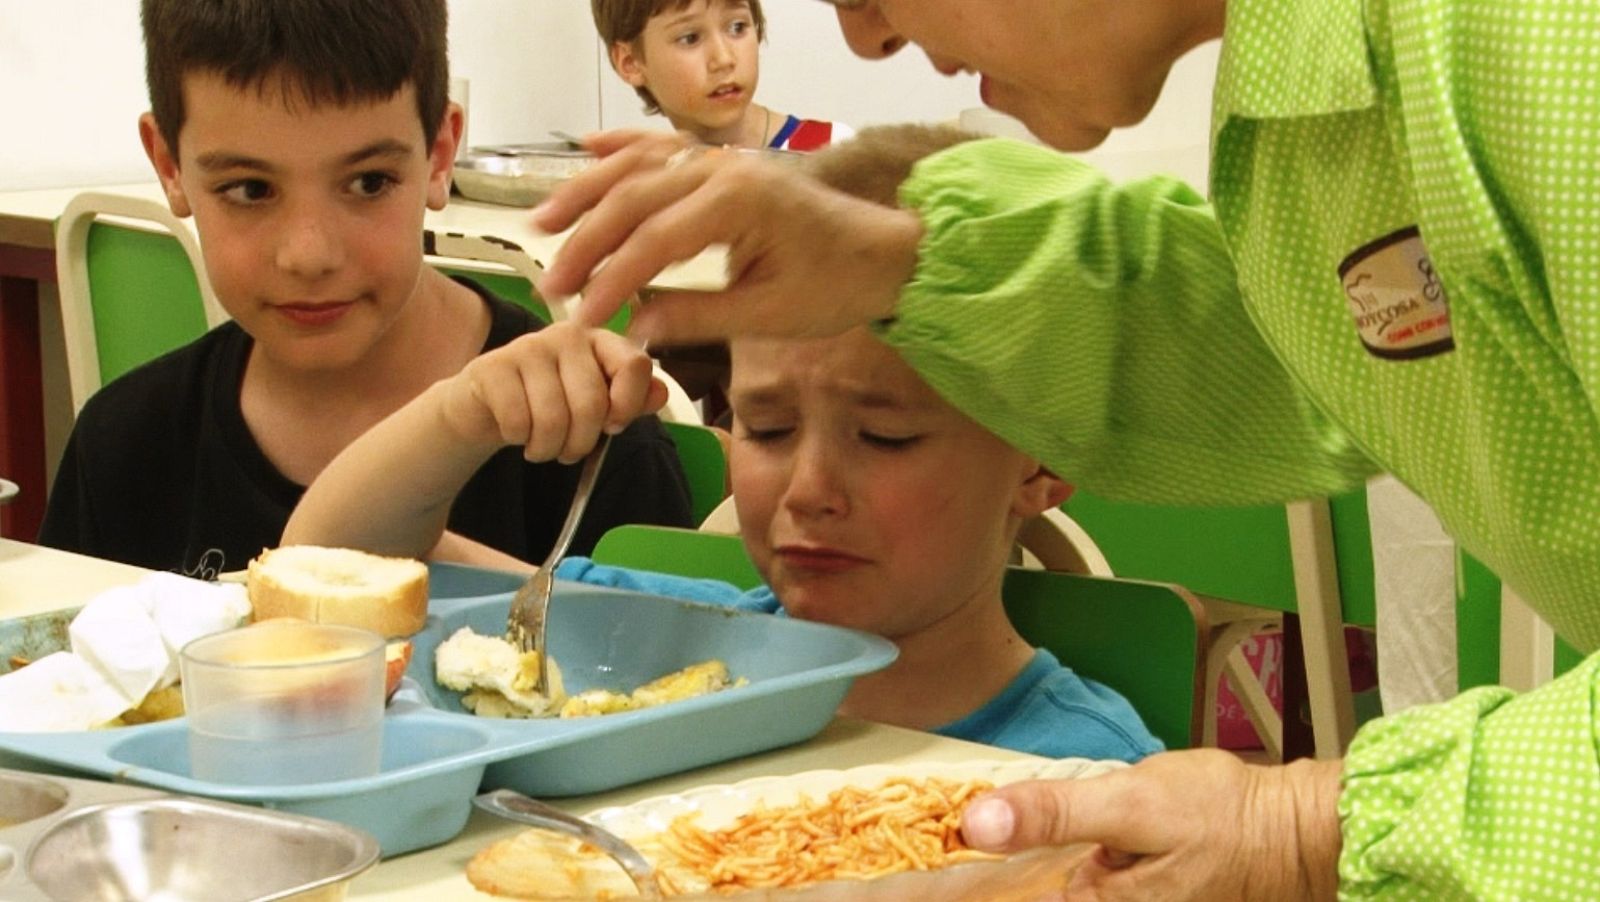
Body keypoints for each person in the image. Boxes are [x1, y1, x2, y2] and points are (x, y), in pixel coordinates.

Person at [527, 0, 1600, 898]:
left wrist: (1303, 823)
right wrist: (910, 264)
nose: (867, 38)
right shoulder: (1320, 106)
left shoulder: (1537, 40)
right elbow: (1301, 353)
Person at [286, 125, 1162, 763]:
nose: (809, 489)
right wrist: (460, 412)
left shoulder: (1084, 772)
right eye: (767, 427)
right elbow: (329, 568)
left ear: (1041, 460)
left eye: (886, 437)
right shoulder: (661, 646)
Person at [38, 0, 693, 581]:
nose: (309, 255)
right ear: (169, 167)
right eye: (250, 189)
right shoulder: (123, 446)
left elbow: (675, 696)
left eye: (369, 182)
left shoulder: (583, 434)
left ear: (438, 154)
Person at [592, 0, 852, 151]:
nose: (724, 59)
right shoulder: (652, 189)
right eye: (690, 38)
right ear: (630, 63)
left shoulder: (834, 150)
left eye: (737, 27)